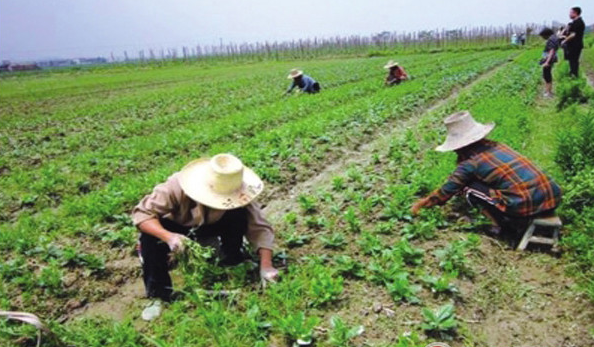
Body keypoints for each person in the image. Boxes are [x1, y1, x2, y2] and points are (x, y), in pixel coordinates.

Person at [131, 153, 279, 320]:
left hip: (211, 226)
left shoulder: (239, 193)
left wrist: (266, 266)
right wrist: (169, 237)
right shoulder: (175, 186)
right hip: (175, 227)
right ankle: (159, 295)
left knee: (239, 216)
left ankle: (231, 260)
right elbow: (142, 214)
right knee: (149, 238)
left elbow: (260, 228)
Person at [411, 111, 562, 236]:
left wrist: (420, 205)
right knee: (484, 183)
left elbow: (447, 190)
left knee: (467, 188)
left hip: (524, 204)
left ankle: (499, 227)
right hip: (552, 194)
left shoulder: (470, 163)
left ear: (459, 146)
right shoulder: (498, 146)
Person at [561, 7, 585, 77]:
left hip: (576, 46)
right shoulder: (574, 22)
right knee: (572, 62)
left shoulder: (578, 22)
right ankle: (573, 75)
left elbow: (573, 34)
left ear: (575, 13)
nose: (569, 14)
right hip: (573, 45)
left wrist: (564, 41)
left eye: (571, 12)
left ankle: (574, 76)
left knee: (574, 62)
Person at [539, 28, 560, 98]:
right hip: (549, 59)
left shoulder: (551, 39)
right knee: (547, 75)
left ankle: (548, 93)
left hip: (549, 59)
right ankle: (548, 91)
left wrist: (547, 62)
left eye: (543, 36)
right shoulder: (554, 38)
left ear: (546, 34)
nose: (543, 38)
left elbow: (552, 51)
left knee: (547, 75)